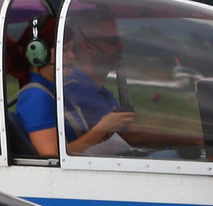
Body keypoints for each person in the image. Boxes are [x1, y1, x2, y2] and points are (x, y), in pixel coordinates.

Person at [14, 13, 154, 157]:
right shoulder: (36, 96)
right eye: (64, 50)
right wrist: (103, 127)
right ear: (37, 54)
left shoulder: (54, 92)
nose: (72, 55)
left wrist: (110, 128)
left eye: (71, 49)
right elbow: (52, 154)